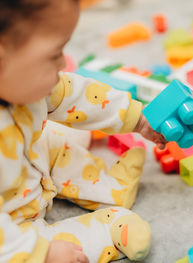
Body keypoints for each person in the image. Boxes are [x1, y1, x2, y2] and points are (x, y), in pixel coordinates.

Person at [0, 0, 166, 262]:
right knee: (56, 252)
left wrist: (137, 118)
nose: (64, 62)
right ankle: (112, 229)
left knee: (52, 143)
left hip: (32, 163)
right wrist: (43, 254)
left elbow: (77, 96)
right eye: (54, 54)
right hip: (13, 225)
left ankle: (113, 189)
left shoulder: (22, 83)